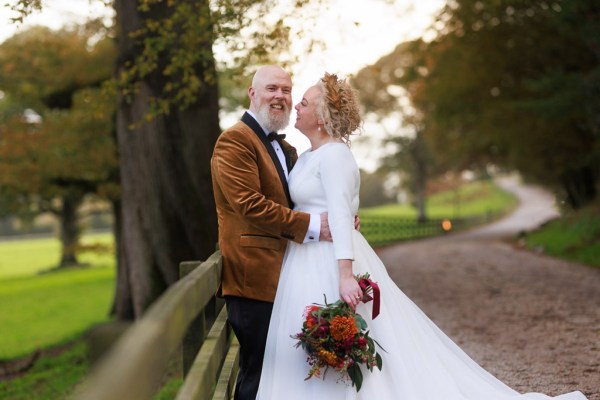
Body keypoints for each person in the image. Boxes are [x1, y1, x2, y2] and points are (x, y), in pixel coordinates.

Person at [255, 73, 588, 400]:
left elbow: (341, 215)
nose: (297, 105)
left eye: (305, 102)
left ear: (323, 117)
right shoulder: (308, 156)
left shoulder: (336, 156)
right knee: (307, 348)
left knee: (340, 344)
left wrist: (345, 275)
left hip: (331, 262)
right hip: (304, 259)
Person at [210, 65, 329, 400]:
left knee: (284, 378)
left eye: (286, 90)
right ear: (252, 93)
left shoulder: (284, 148)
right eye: (272, 88)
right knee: (258, 376)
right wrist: (316, 226)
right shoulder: (234, 140)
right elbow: (250, 205)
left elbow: (300, 197)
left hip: (286, 277)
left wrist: (335, 216)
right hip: (253, 281)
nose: (280, 96)